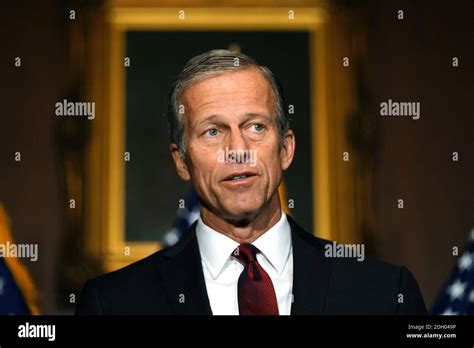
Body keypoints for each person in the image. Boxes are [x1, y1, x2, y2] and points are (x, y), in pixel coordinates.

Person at [76, 49, 426, 315]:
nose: (238, 151)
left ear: (285, 148)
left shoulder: (384, 293)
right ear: (182, 160)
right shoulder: (112, 304)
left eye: (255, 127)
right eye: (213, 132)